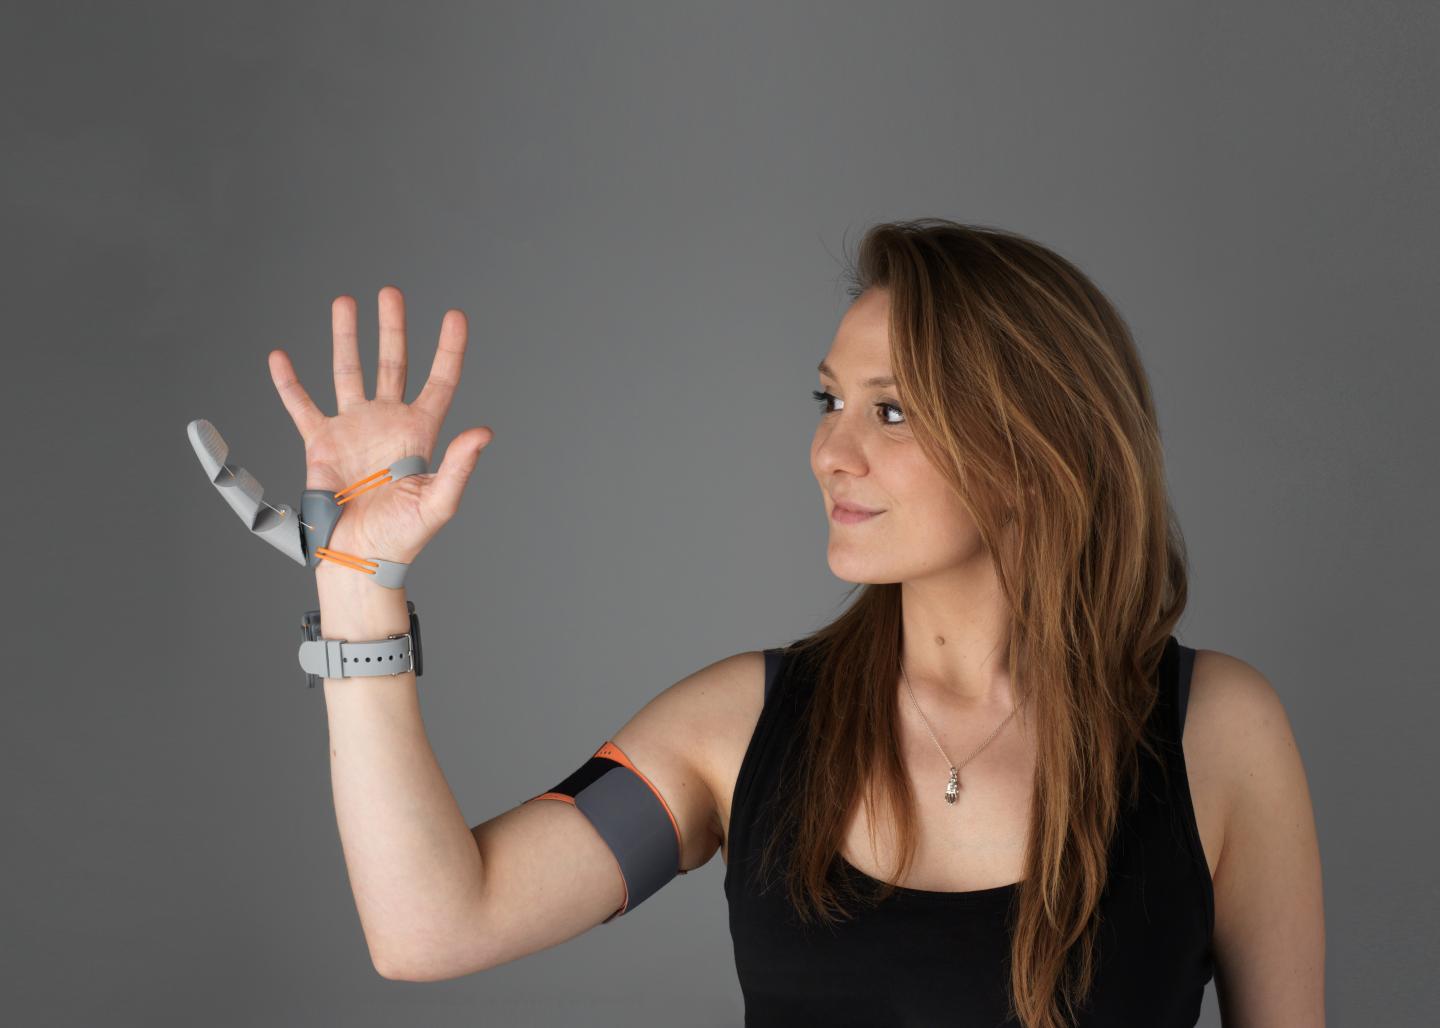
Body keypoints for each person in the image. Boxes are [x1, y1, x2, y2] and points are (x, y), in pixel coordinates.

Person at [266, 218, 1325, 1026]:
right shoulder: (741, 727)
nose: (833, 452)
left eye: (893, 409)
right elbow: (433, 924)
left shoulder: (1217, 733)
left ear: (1037, 450)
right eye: (829, 401)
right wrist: (360, 581)